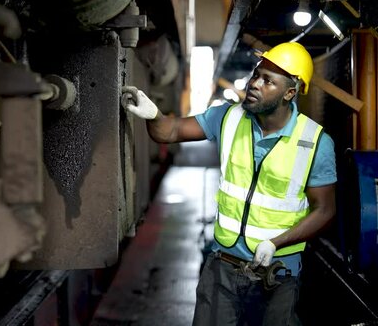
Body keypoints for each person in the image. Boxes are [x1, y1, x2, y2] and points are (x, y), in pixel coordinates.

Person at [122, 41, 337, 325]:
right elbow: (171, 131)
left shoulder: (315, 142)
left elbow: (325, 210)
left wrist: (276, 243)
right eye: (256, 74)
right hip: (222, 265)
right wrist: (154, 116)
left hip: (278, 272)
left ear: (289, 93)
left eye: (267, 81)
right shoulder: (228, 116)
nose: (255, 83)